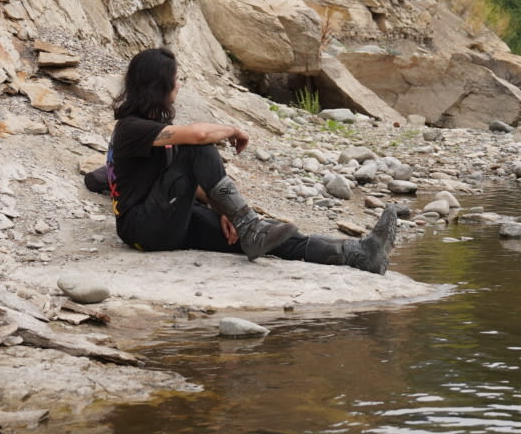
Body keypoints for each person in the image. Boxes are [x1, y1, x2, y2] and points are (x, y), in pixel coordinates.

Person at [106, 47, 398, 273]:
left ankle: (360, 254)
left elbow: (182, 184)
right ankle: (250, 226)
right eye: (176, 80)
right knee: (200, 147)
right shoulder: (131, 129)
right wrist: (233, 130)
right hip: (142, 231)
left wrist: (226, 212)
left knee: (266, 237)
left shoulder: (153, 129)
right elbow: (197, 136)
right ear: (158, 86)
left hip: (165, 220)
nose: (179, 86)